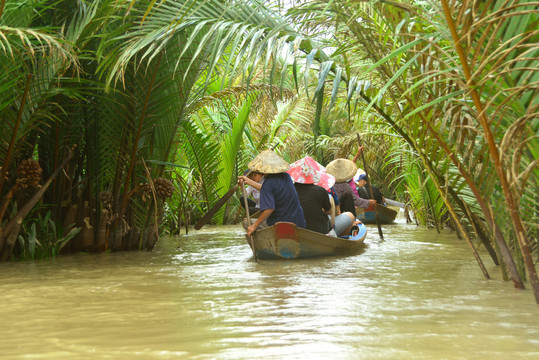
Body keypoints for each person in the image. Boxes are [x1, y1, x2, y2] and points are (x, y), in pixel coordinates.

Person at [239, 150, 306, 236]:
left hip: (279, 223)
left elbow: (269, 209)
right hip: (298, 222)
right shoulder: (286, 176)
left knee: (247, 222)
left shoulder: (268, 183)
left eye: (256, 174)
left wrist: (254, 226)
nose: (254, 176)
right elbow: (268, 189)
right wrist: (248, 182)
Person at [287, 156, 355, 236]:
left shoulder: (289, 190)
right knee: (350, 215)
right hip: (319, 231)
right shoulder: (320, 190)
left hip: (296, 229)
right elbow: (329, 211)